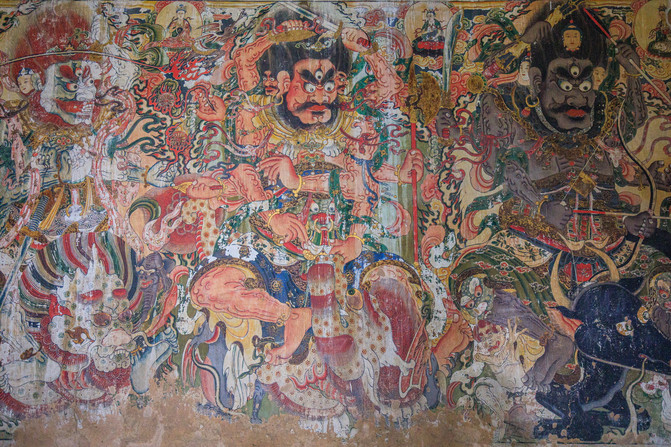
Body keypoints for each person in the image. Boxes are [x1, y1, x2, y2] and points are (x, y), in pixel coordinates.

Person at [438, 6, 671, 418]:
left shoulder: (602, 137)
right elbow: (504, 159)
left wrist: (631, 223)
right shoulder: (522, 132)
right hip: (536, 251)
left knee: (659, 278)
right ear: (537, 83)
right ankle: (556, 342)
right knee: (487, 292)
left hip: (606, 254)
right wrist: (541, 205)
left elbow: (628, 139)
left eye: (585, 85)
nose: (575, 97)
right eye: (563, 84)